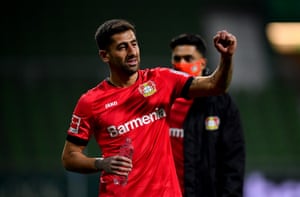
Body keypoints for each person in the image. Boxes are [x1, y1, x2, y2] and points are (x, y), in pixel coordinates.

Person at [61, 18, 237, 197]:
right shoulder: (91, 102)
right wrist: (101, 163)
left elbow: (215, 85)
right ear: (105, 55)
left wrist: (227, 57)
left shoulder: (161, 80)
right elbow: (69, 157)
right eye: (122, 47)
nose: (132, 52)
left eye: (134, 44)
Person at [168, 33, 245, 197]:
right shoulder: (161, 100)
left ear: (202, 63)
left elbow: (233, 160)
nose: (181, 64)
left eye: (188, 59)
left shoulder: (220, 104)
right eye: (177, 59)